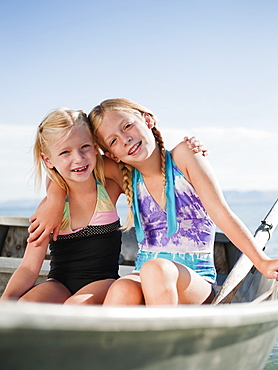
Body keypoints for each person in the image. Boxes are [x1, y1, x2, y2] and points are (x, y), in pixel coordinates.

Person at [86, 98, 278, 306]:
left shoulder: (184, 156)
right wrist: (52, 205)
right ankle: (113, 339)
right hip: (142, 275)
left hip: (196, 283)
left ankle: (166, 337)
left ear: (148, 120)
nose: (125, 139)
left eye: (127, 126)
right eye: (113, 141)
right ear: (111, 155)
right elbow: (73, 159)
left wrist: (261, 262)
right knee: (122, 287)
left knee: (156, 269)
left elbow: (221, 212)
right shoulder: (128, 178)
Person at [1, 108, 123, 305]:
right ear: (48, 160)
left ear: (94, 146)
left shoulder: (109, 188)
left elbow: (143, 175)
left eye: (84, 147)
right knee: (26, 306)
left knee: (73, 307)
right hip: (59, 283)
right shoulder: (48, 209)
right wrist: (5, 302)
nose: (78, 158)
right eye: (65, 152)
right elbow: (29, 268)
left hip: (103, 282)